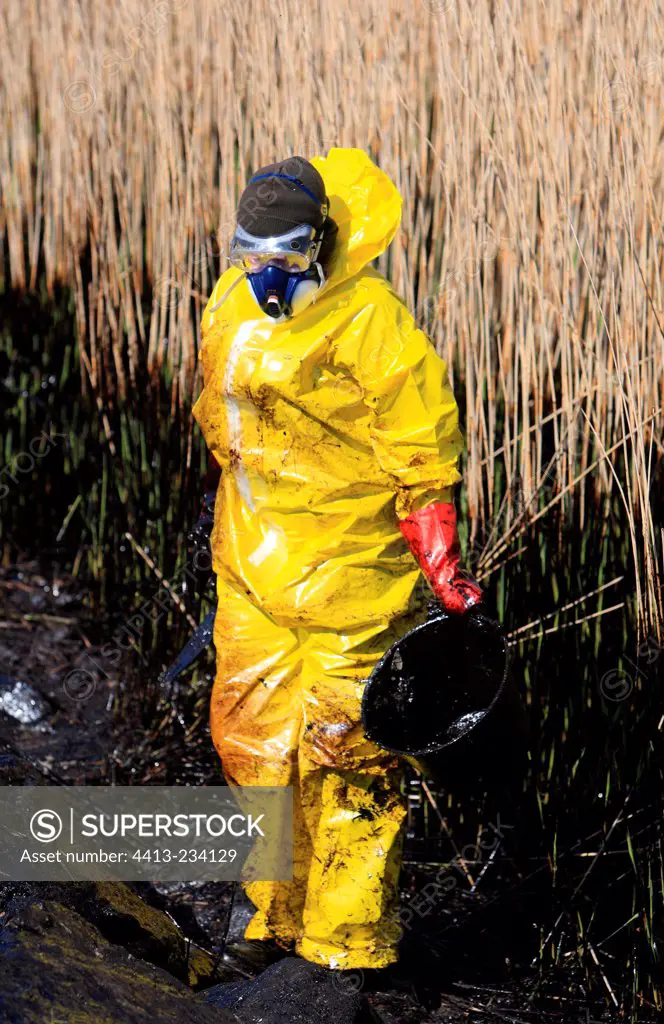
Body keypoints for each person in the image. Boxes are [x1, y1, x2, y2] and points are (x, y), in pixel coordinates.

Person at [192, 148, 483, 972]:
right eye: (253, 260)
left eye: (284, 262)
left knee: (347, 757)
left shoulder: (371, 323)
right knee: (248, 745)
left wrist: (439, 557)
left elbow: (422, 449)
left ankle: (345, 942)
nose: (269, 280)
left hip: (355, 585)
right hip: (254, 572)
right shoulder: (230, 306)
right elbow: (222, 422)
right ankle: (276, 916)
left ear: (318, 246)